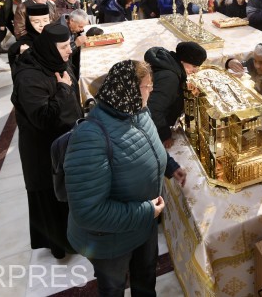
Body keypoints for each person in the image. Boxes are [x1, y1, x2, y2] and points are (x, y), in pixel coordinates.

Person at [65, 60, 186, 296]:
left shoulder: (137, 110)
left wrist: (169, 166)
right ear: (129, 89)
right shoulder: (91, 137)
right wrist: (145, 211)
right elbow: (88, 211)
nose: (151, 90)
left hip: (143, 224)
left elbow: (147, 144)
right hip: (110, 239)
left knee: (145, 278)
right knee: (113, 287)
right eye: (147, 86)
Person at [11, 22, 81, 259]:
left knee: (67, 191)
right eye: (64, 46)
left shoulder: (56, 60)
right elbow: (41, 118)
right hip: (42, 148)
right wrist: (62, 89)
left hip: (64, 139)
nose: (69, 50)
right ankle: (60, 246)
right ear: (50, 48)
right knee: (51, 194)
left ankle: (74, 237)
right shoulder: (29, 76)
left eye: (69, 44)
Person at [144, 41, 207, 148]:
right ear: (183, 61)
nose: (195, 70)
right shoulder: (170, 78)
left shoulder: (169, 63)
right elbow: (153, 109)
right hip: (154, 129)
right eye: (194, 66)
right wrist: (165, 135)